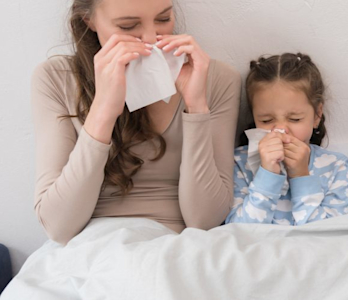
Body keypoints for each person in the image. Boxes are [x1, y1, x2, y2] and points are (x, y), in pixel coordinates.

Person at [31, 0, 241, 244]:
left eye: (163, 19)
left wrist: (196, 108)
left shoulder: (214, 78)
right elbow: (58, 228)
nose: (151, 39)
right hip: (91, 248)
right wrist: (103, 111)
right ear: (89, 21)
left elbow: (205, 221)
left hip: (179, 247)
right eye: (128, 26)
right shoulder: (56, 78)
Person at [226, 53, 348, 225]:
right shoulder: (239, 164)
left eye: (294, 119)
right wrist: (267, 174)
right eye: (266, 121)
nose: (280, 130)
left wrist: (301, 176)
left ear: (317, 115)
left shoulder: (335, 167)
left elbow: (328, 235)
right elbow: (237, 232)